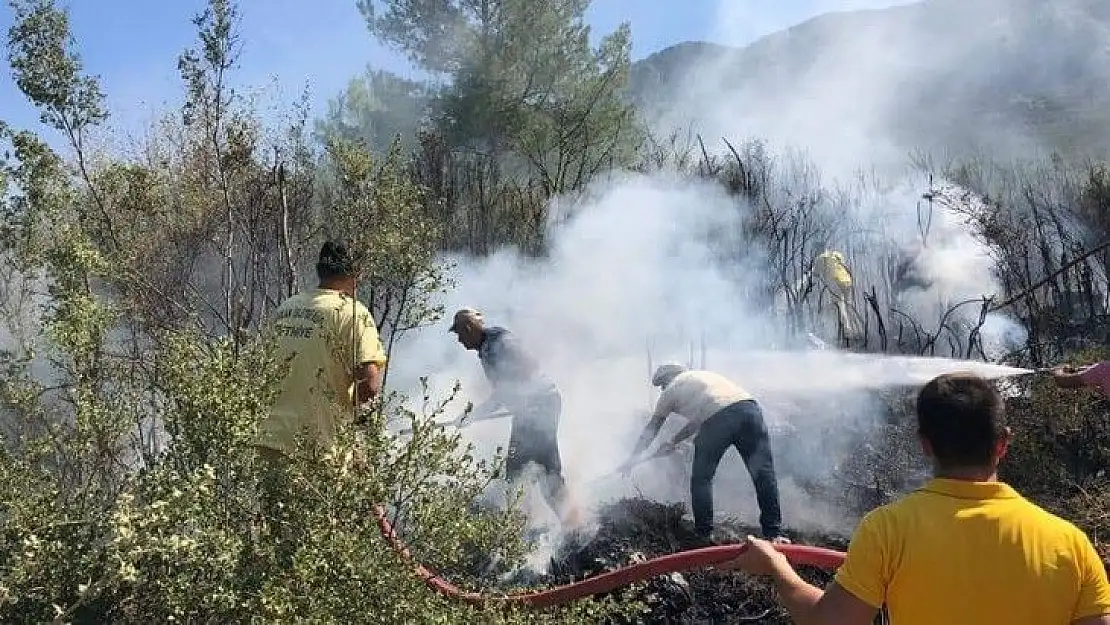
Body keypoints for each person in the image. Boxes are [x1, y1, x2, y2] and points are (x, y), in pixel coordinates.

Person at [721, 371, 1110, 625]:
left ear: (924, 444)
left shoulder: (887, 530)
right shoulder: (1071, 545)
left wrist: (777, 568)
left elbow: (830, 621)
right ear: (1003, 443)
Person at [619, 363, 788, 544]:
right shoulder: (703, 378)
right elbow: (704, 416)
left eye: (661, 385)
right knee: (763, 474)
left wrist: (632, 459)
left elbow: (651, 429)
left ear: (666, 380)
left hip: (717, 421)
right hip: (749, 410)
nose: (662, 389)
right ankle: (773, 533)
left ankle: (704, 534)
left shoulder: (670, 390)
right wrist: (673, 441)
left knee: (702, 478)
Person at [256, 240, 388, 459]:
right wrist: (353, 417)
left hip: (271, 439)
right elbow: (370, 385)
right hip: (319, 447)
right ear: (355, 273)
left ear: (320, 271)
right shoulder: (353, 313)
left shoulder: (287, 308)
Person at [448, 308, 577, 526]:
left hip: (539, 407)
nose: (460, 340)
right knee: (521, 472)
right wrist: (474, 414)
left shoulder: (501, 343)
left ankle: (570, 527)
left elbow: (529, 366)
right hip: (530, 411)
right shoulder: (487, 348)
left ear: (469, 328)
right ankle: (541, 526)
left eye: (460, 334)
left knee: (533, 473)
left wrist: (519, 394)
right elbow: (502, 392)